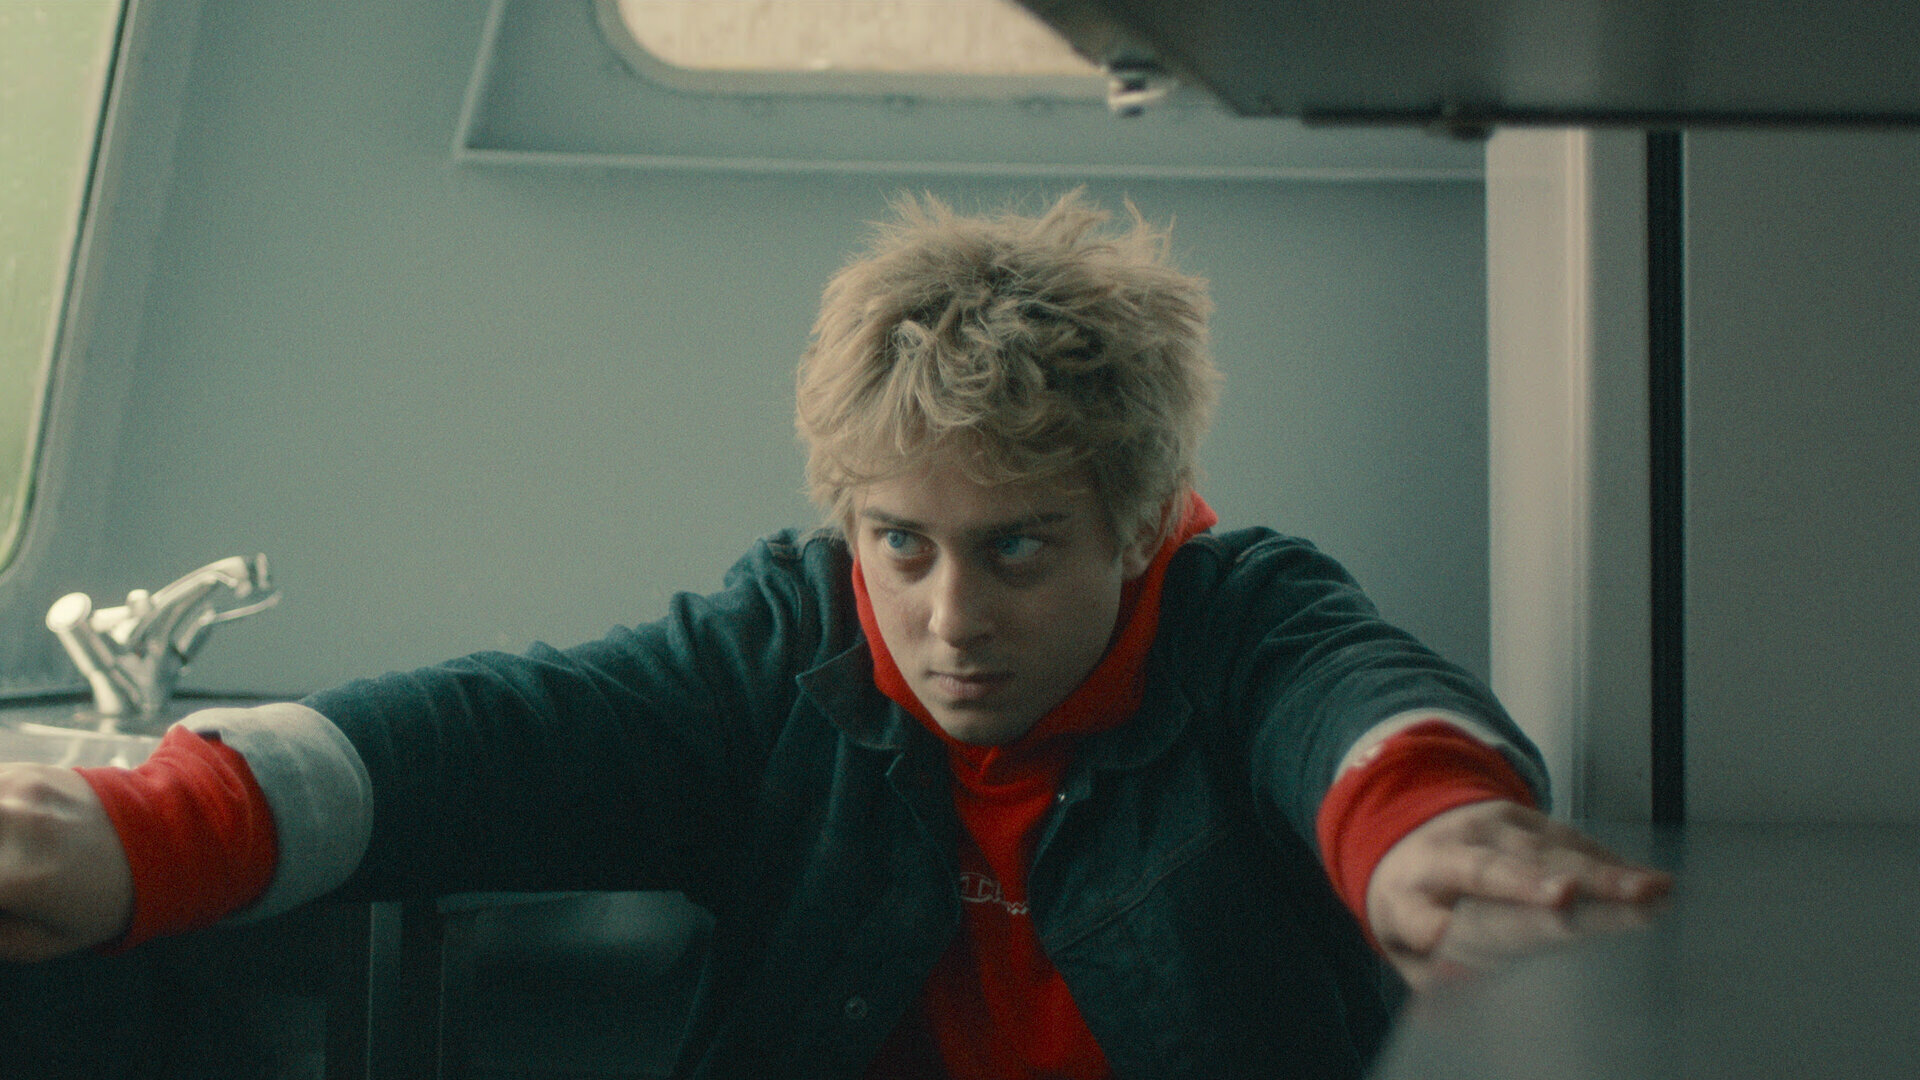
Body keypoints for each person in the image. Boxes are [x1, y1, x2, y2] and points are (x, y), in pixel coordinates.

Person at [0, 191, 1667, 1078]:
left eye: (1018, 549)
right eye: (900, 546)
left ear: (1142, 522)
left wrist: (1431, 838)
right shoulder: (785, 648)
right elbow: (493, 736)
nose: (951, 621)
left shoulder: (1239, 619)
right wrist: (144, 827)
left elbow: (1355, 707)